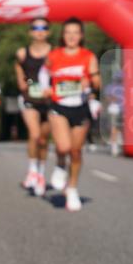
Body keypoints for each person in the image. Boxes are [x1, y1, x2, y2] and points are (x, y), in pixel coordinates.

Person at [40, 18, 100, 211]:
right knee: (63, 146)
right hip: (59, 105)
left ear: (81, 35)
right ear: (63, 35)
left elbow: (97, 83)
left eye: (76, 32)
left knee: (75, 151)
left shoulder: (88, 56)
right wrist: (45, 88)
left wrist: (90, 81)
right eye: (68, 32)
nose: (72, 36)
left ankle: (72, 187)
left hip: (80, 107)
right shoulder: (54, 55)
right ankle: (59, 165)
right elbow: (42, 74)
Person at [15, 19, 53, 196]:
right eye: (35, 28)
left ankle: (41, 174)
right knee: (35, 134)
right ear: (30, 32)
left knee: (44, 140)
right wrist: (28, 82)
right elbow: (21, 75)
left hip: (49, 100)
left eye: (43, 28)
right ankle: (32, 169)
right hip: (29, 98)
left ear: (48, 32)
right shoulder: (22, 53)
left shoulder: (55, 53)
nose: (39, 31)